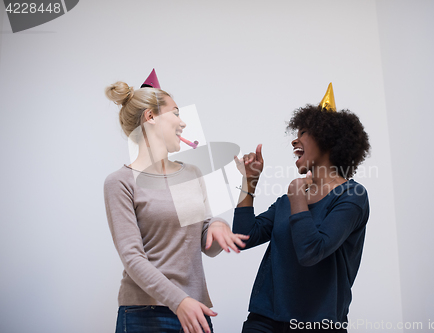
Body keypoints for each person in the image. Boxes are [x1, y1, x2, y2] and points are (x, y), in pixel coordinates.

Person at [103, 69, 248, 333]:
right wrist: (180, 301)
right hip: (144, 315)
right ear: (151, 117)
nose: (183, 124)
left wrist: (217, 224)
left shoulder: (190, 173)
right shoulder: (120, 182)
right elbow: (133, 258)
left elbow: (208, 246)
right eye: (176, 113)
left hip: (195, 312)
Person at [233, 83, 371, 332]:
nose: (294, 140)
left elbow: (311, 251)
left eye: (304, 133)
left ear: (328, 139)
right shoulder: (288, 201)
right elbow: (242, 238)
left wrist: (297, 197)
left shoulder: (352, 196)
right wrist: (249, 183)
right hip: (263, 321)